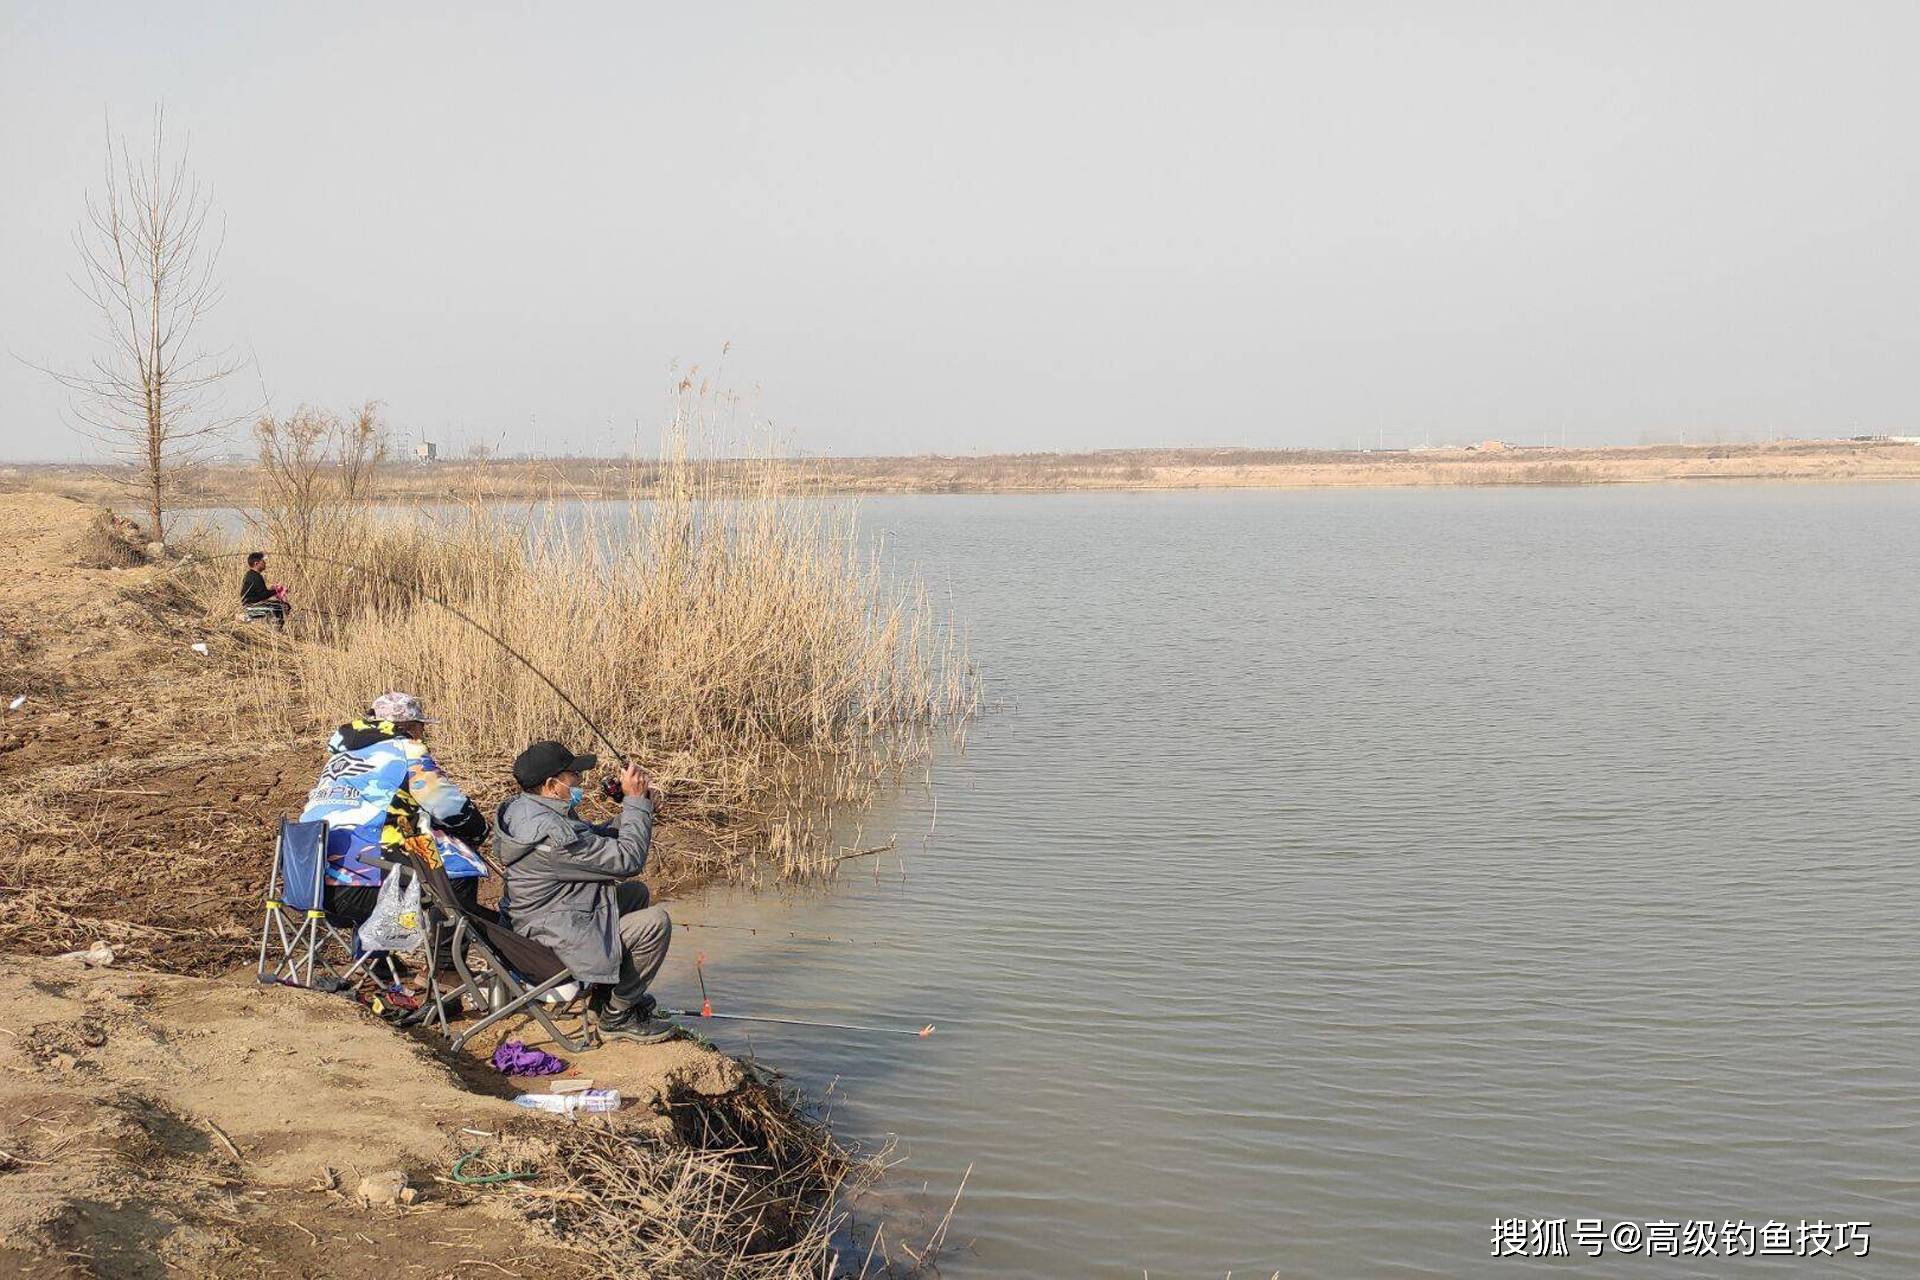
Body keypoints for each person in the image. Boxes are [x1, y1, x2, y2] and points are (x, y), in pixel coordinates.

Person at [299, 691, 491, 977]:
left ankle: (375, 962)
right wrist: (478, 830)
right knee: (460, 870)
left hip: (309, 886)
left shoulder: (340, 758)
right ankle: (447, 971)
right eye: (421, 727)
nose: (423, 734)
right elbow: (446, 804)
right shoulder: (406, 750)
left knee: (375, 854)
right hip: (358, 889)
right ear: (409, 727)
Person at [495, 740, 675, 1043]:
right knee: (655, 923)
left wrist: (638, 810)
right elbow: (626, 860)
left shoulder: (528, 809)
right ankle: (617, 1016)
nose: (580, 781)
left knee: (634, 894)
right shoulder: (551, 834)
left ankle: (605, 995)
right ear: (552, 785)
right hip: (549, 941)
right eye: (573, 776)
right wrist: (634, 802)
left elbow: (591, 840)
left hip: (542, 919)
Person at [240, 551, 290, 626]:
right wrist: (276, 591)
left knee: (279, 605)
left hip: (251, 604)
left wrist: (272, 590)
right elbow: (263, 595)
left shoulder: (251, 574)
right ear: (256, 563)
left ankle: (273, 628)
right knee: (282, 606)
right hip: (251, 607)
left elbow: (261, 593)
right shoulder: (255, 577)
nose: (265, 563)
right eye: (263, 561)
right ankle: (276, 631)